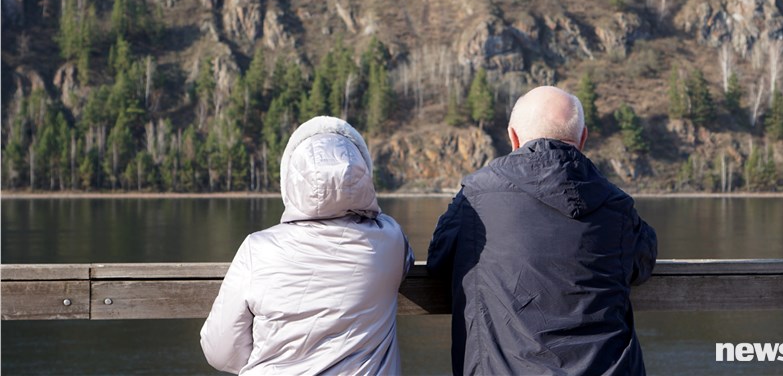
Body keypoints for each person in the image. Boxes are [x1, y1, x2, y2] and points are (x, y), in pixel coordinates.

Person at [427, 85, 657, 376]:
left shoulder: (475, 198)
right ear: (583, 138)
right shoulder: (617, 205)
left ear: (513, 137)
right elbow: (642, 263)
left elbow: (438, 262)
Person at [201, 116, 414, 375]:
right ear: (363, 175)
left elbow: (219, 350)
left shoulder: (257, 249)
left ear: (291, 180)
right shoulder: (391, 240)